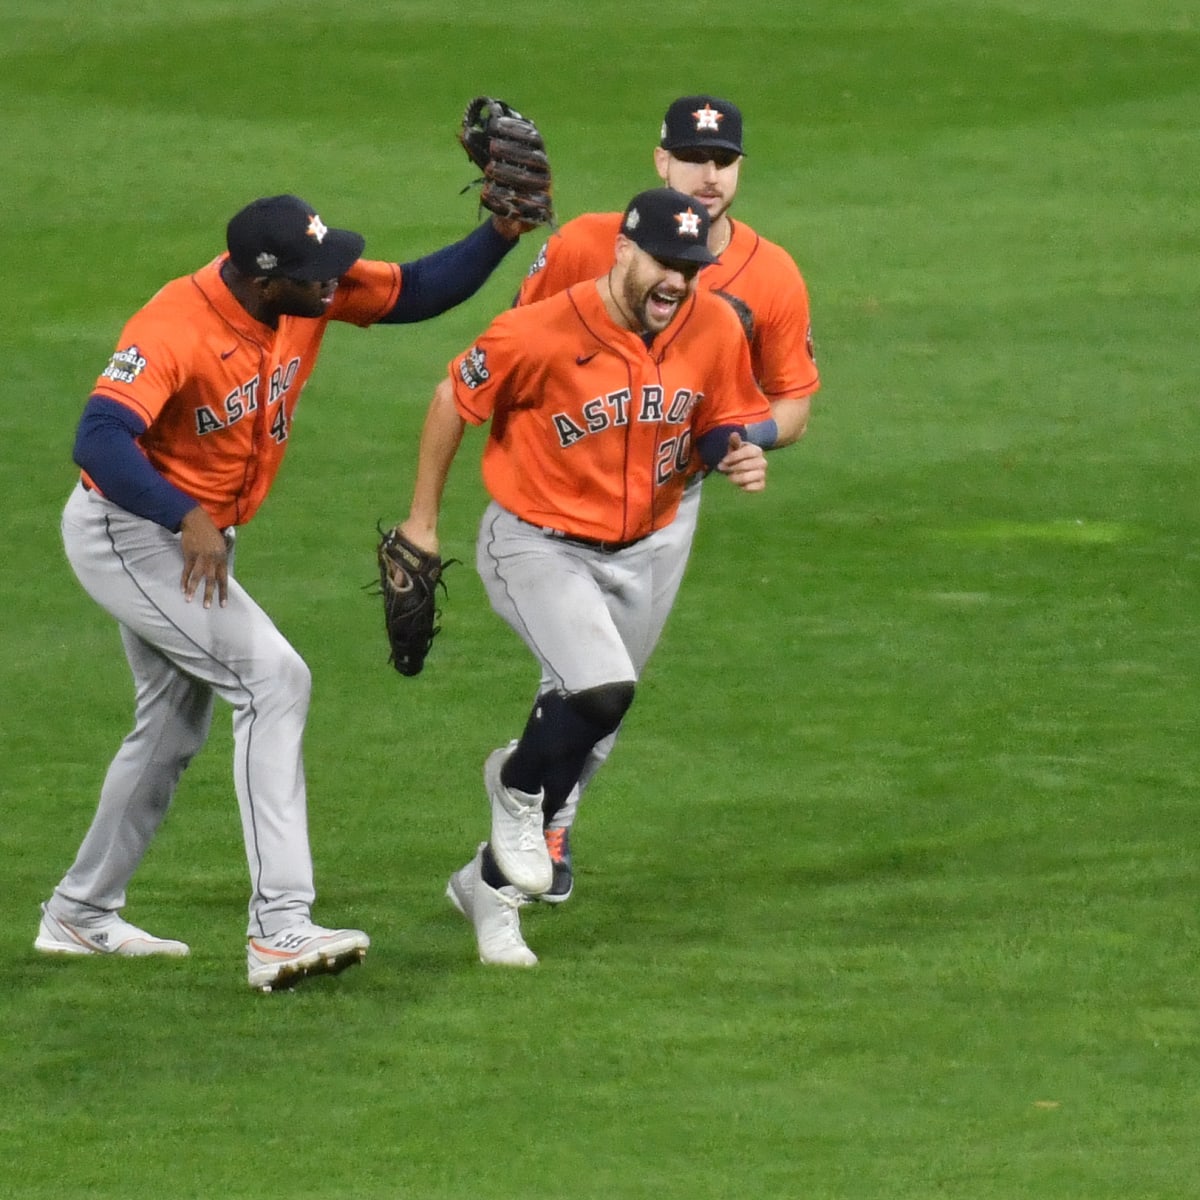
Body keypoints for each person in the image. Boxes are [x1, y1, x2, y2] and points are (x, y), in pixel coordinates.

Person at [38, 192, 537, 992]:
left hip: (193, 539)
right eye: (317, 277)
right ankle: (279, 928)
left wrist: (499, 234)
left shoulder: (307, 292)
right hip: (130, 532)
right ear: (264, 283)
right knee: (275, 680)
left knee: (169, 729)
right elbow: (99, 436)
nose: (335, 284)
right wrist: (183, 513)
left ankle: (79, 913)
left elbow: (415, 291)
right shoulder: (175, 323)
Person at [396, 188, 772, 965]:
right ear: (624, 252)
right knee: (600, 690)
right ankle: (511, 782)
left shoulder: (712, 326)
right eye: (665, 265)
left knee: (583, 740)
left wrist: (736, 449)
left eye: (692, 269)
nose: (678, 283)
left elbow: (717, 417)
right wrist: (422, 523)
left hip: (644, 548)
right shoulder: (539, 331)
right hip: (537, 543)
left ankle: (488, 893)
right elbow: (450, 399)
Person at [516, 94, 821, 902]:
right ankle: (536, 818)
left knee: (609, 687)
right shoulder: (588, 243)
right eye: (692, 157)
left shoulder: (774, 275)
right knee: (587, 676)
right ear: (661, 161)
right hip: (561, 501)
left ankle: (548, 811)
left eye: (722, 160)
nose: (708, 175)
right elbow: (516, 346)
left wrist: (738, 442)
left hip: (663, 508)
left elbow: (790, 404)